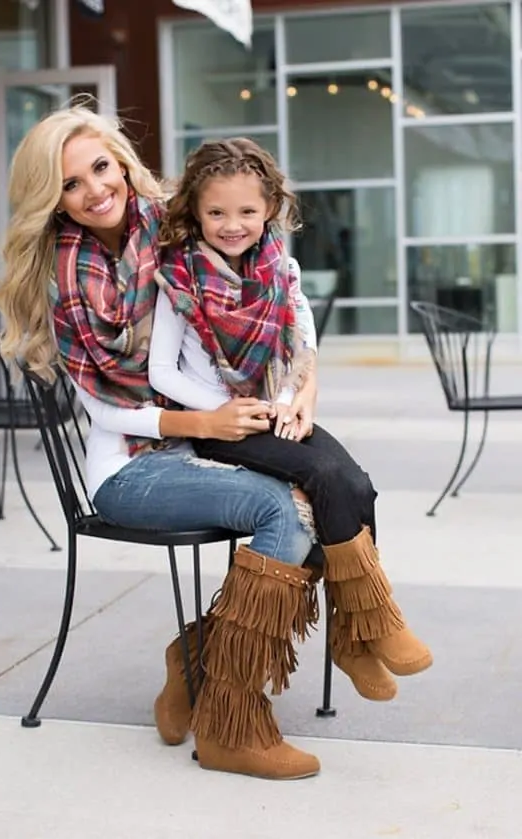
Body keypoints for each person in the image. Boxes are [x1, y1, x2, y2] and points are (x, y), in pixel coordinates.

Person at [0, 105, 325, 782]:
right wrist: (201, 424)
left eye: (100, 167)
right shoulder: (63, 279)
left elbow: (280, 285)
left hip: (214, 435)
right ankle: (232, 722)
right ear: (51, 200)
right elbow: (102, 409)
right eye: (70, 184)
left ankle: (199, 661)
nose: (94, 190)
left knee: (329, 498)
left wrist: (304, 388)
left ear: (121, 161)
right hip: (130, 469)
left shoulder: (175, 225)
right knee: (282, 512)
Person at [150, 138, 433, 719]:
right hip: (218, 425)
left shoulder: (283, 269)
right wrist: (224, 409)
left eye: (247, 212)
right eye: (217, 213)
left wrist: (296, 396)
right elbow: (162, 370)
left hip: (274, 413)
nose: (233, 225)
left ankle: (350, 638)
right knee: (326, 478)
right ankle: (359, 633)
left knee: (353, 483)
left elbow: (303, 346)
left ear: (270, 210)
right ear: (195, 214)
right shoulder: (177, 279)